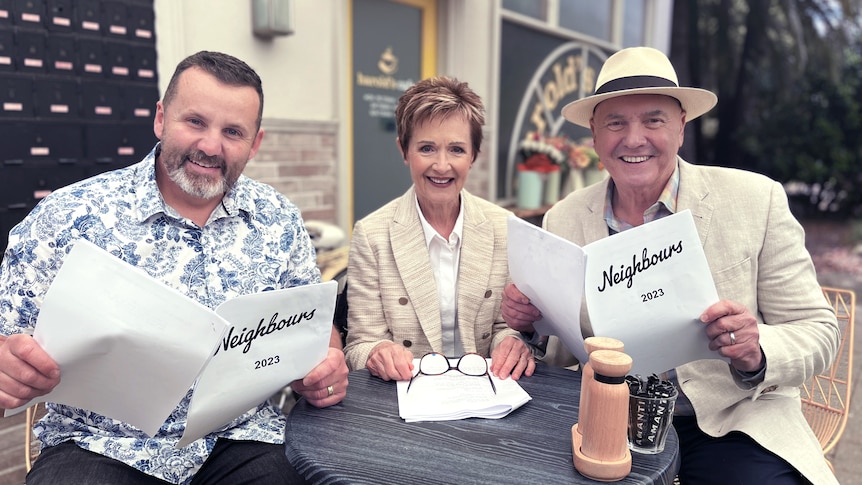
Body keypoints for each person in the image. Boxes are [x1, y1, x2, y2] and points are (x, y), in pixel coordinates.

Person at [0, 51, 349, 484]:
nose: (210, 146)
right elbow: (8, 339)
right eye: (195, 122)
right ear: (161, 118)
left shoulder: (278, 218)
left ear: (255, 144)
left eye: (233, 132)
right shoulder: (68, 216)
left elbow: (311, 325)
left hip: (241, 438)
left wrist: (327, 358)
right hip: (100, 445)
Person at [502, 47, 839, 485]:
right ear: (595, 135)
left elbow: (818, 329)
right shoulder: (562, 218)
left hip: (728, 421)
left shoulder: (756, 200)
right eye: (615, 122)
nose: (634, 138)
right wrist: (528, 326)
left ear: (681, 126)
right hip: (601, 418)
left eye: (653, 120)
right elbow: (557, 345)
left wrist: (756, 351)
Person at [343, 76, 534, 383]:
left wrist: (511, 343)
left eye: (456, 149)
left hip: (486, 393)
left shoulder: (504, 227)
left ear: (473, 155)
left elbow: (506, 327)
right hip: (406, 395)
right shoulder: (371, 234)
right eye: (427, 148)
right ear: (404, 151)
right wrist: (378, 351)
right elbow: (359, 345)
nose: (442, 165)